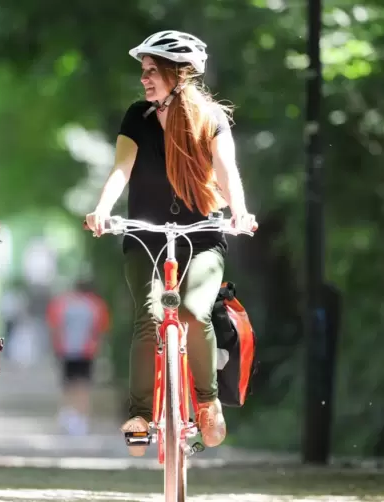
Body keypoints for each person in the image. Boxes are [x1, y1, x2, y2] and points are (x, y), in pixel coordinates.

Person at [84, 30, 257, 456]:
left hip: (201, 238)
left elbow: (226, 171)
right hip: (145, 239)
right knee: (149, 316)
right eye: (143, 71)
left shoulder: (211, 118)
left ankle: (207, 401)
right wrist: (102, 208)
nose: (144, 79)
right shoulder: (136, 117)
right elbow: (121, 170)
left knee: (195, 313)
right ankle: (141, 413)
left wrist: (240, 211)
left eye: (152, 71)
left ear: (179, 75)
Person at [46, 279, 109, 436]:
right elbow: (102, 329)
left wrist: (56, 345)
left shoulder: (63, 304)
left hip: (66, 350)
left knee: (68, 385)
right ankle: (82, 420)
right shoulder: (96, 305)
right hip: (87, 351)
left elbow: (54, 325)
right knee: (84, 386)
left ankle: (68, 416)